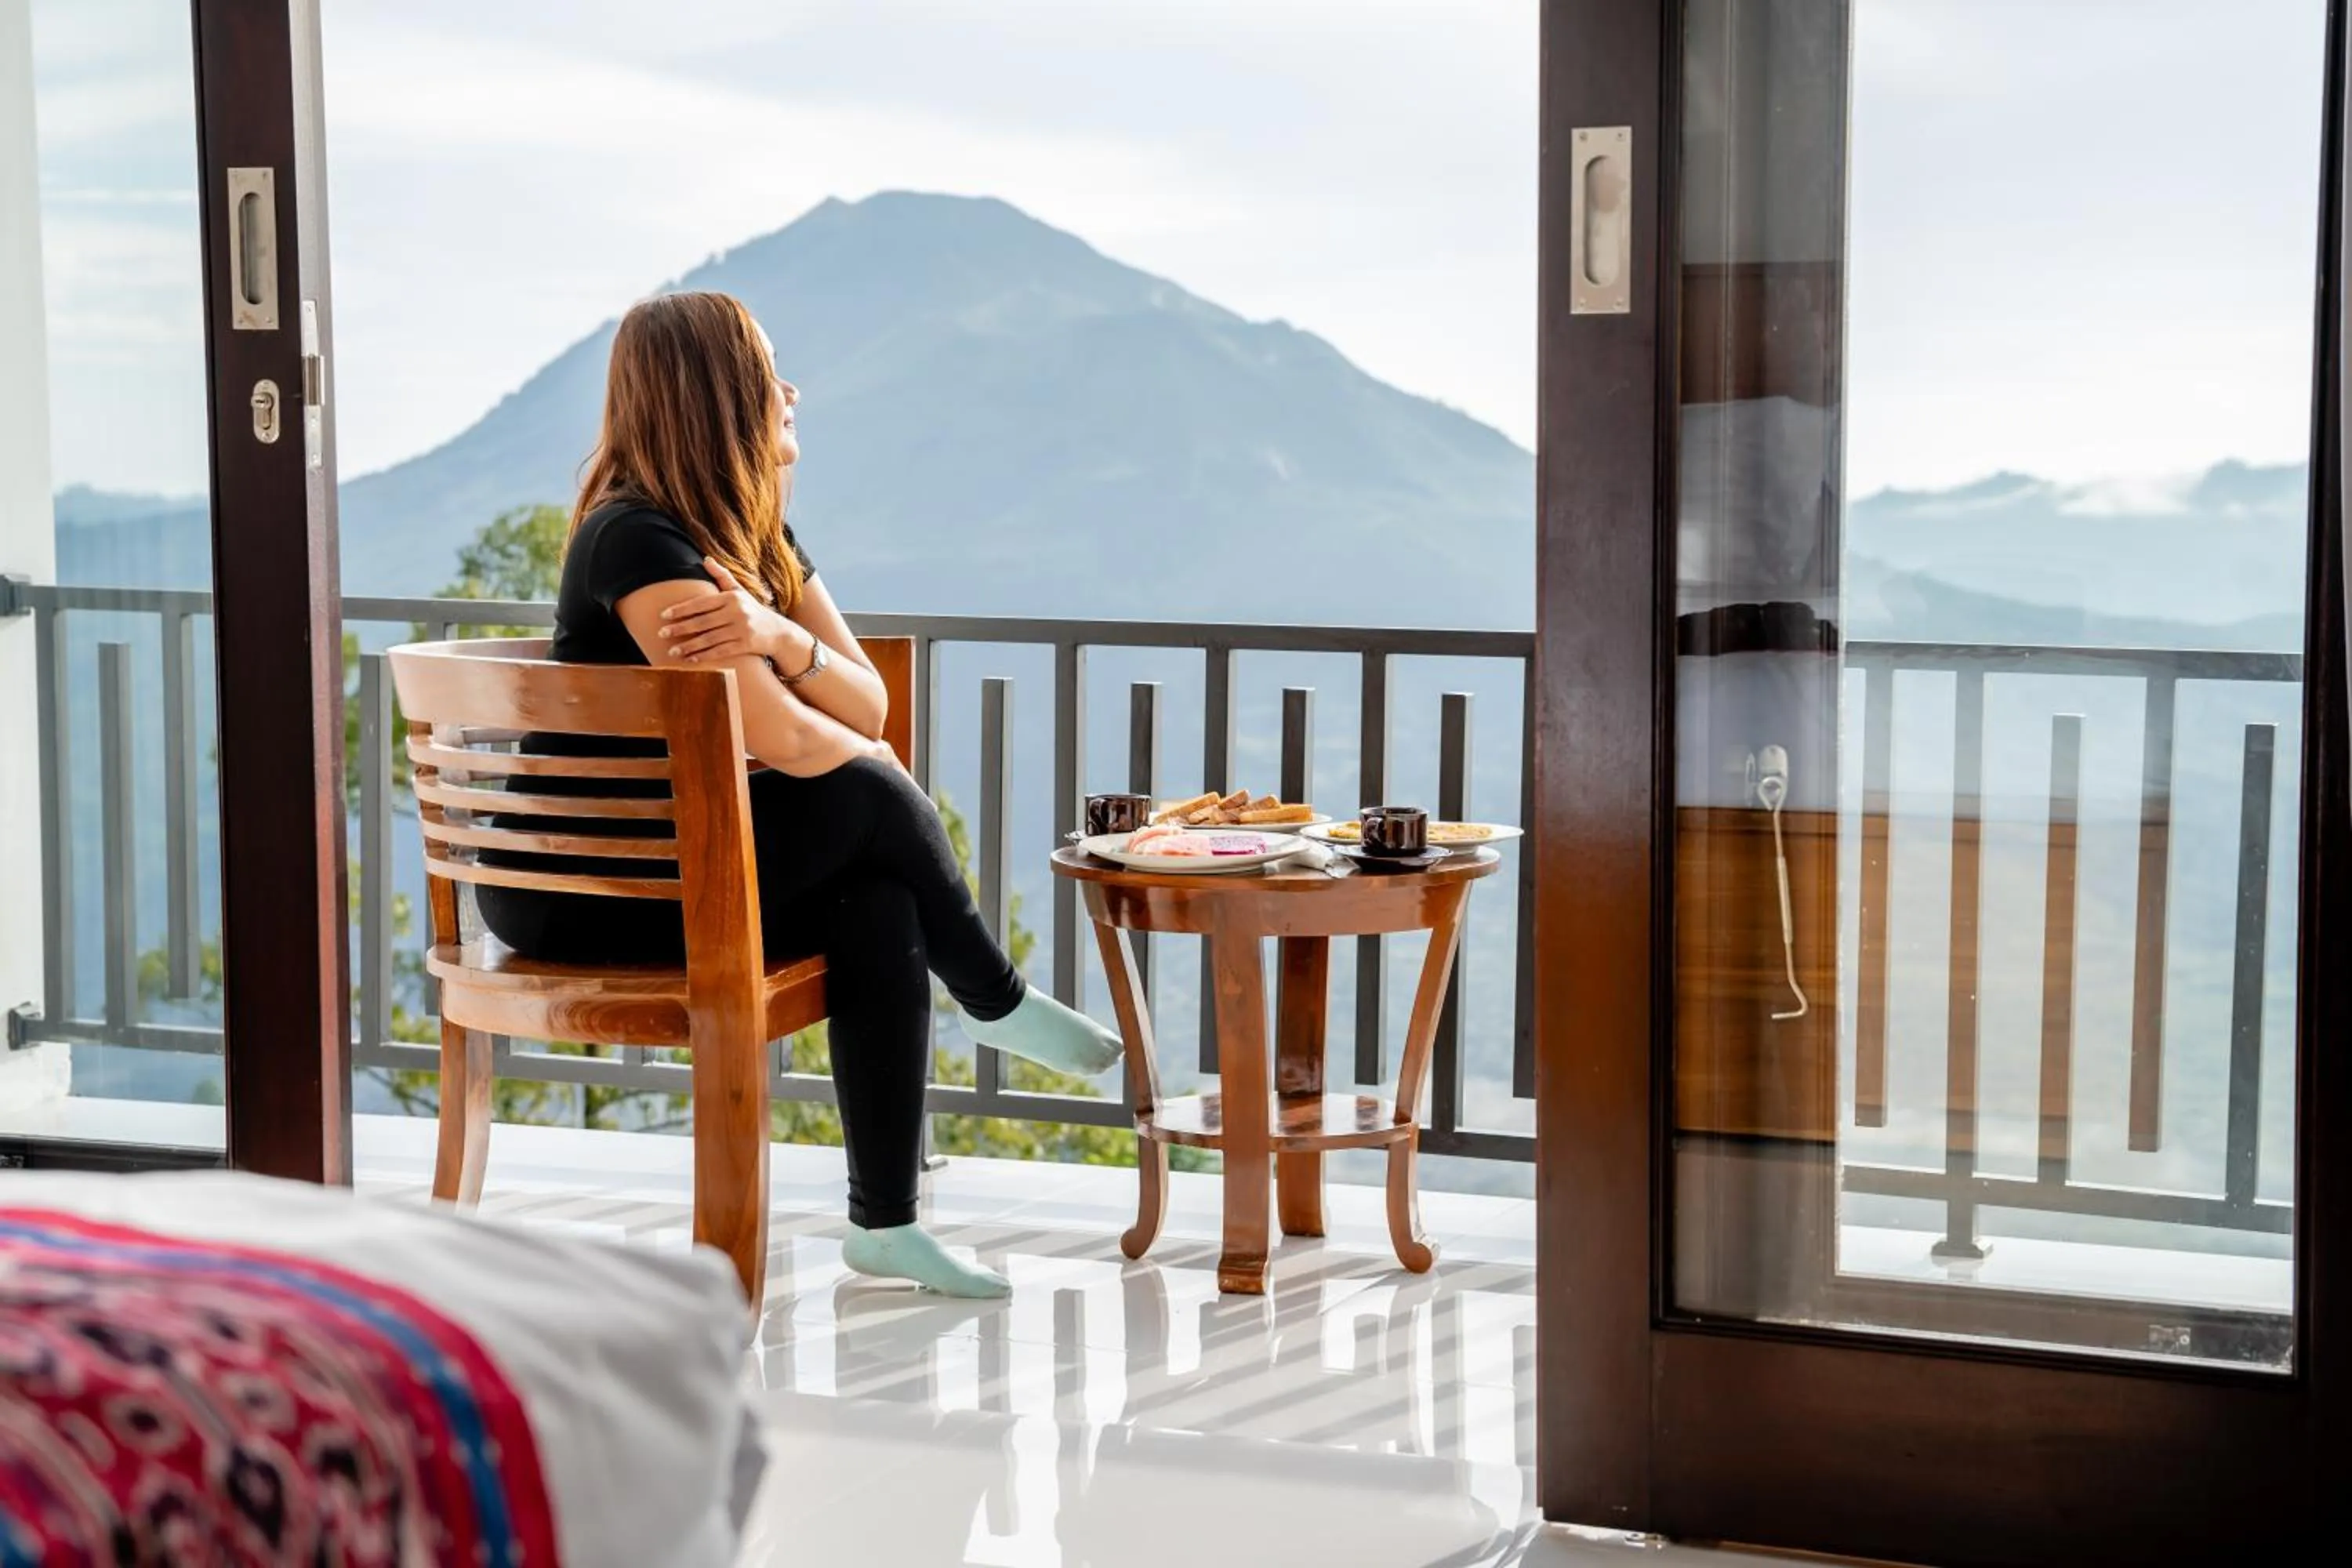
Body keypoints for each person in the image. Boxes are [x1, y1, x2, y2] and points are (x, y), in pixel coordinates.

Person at [473, 289, 1120, 1299]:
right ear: (717, 394)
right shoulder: (635, 541)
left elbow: (864, 698)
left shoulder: (754, 538)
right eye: (770, 370)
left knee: (884, 898)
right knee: (870, 797)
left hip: (673, 864)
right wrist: (877, 769)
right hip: (581, 887)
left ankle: (886, 1223)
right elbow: (785, 733)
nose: (792, 390)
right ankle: (991, 996)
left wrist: (781, 638)